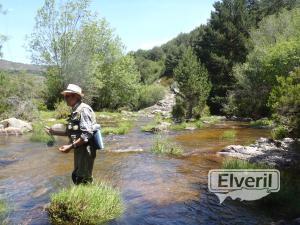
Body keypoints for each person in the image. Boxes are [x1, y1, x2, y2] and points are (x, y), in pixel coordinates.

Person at [46, 84, 97, 185]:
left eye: (67, 96)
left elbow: (87, 133)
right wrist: (53, 132)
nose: (65, 98)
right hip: (79, 148)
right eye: (65, 96)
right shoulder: (75, 110)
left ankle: (86, 199)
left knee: (83, 179)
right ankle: (83, 198)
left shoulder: (83, 110)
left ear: (76, 96)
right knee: (77, 176)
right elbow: (71, 132)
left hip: (86, 150)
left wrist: (70, 146)